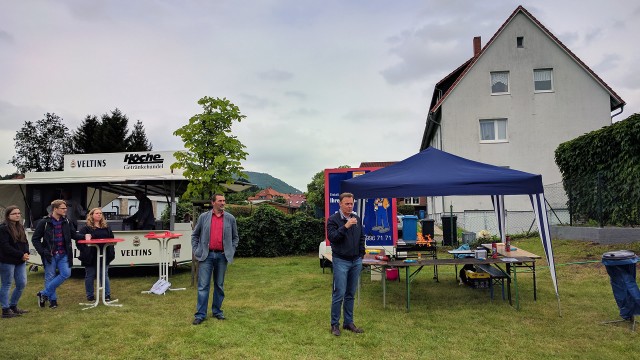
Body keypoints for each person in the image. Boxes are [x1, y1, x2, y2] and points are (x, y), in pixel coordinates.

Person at [191, 194, 239, 325]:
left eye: (224, 200)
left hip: (222, 256)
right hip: (206, 256)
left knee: (219, 285)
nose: (223, 203)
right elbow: (195, 235)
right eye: (220, 201)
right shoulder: (203, 217)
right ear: (213, 203)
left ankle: (217, 311)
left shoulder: (230, 218)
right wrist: (196, 250)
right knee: (203, 286)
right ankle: (200, 315)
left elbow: (235, 238)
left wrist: (231, 250)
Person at [32, 199, 84, 309]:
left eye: (66, 208)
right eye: (63, 208)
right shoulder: (44, 222)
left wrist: (87, 236)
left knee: (66, 273)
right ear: (55, 209)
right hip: (49, 255)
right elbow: (35, 239)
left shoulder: (67, 221)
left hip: (64, 253)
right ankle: (53, 301)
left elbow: (74, 235)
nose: (66, 210)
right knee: (50, 277)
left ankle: (43, 293)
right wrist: (42, 252)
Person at [326, 192, 365, 336]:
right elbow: (333, 238)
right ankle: (334, 324)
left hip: (356, 261)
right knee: (339, 293)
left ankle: (348, 322)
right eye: (347, 204)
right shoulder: (333, 220)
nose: (350, 206)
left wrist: (361, 254)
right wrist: (346, 226)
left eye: (351, 203)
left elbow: (362, 237)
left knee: (350, 294)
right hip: (341, 260)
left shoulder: (357, 219)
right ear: (340, 204)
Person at [77, 208, 116, 302]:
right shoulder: (85, 228)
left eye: (100, 213)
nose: (99, 215)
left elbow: (111, 239)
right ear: (91, 215)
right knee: (90, 275)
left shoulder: (106, 227)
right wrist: (85, 251)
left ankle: (107, 295)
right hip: (90, 256)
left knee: (104, 274)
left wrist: (111, 251)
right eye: (97, 213)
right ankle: (90, 295)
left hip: (104, 254)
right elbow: (79, 242)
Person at [0, 206, 30, 318]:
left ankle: (13, 306)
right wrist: (20, 254)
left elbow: (25, 242)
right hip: (7, 260)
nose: (17, 215)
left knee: (22, 283)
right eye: (14, 213)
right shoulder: (3, 228)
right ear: (8, 215)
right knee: (7, 284)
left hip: (20, 260)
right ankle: (5, 309)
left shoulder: (20, 226)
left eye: (19, 213)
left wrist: (26, 253)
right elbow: (5, 246)